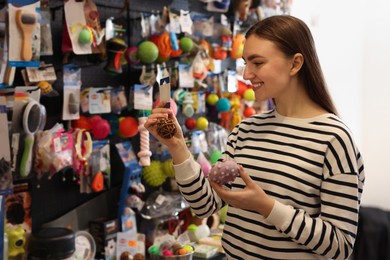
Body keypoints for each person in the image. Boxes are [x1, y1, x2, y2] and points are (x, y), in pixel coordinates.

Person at [145, 15, 365, 260]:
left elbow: (340, 246)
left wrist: (266, 206)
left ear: (295, 64)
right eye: (245, 63)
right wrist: (177, 147)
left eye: (257, 63)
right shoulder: (246, 130)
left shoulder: (334, 139)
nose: (247, 74)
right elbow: (205, 205)